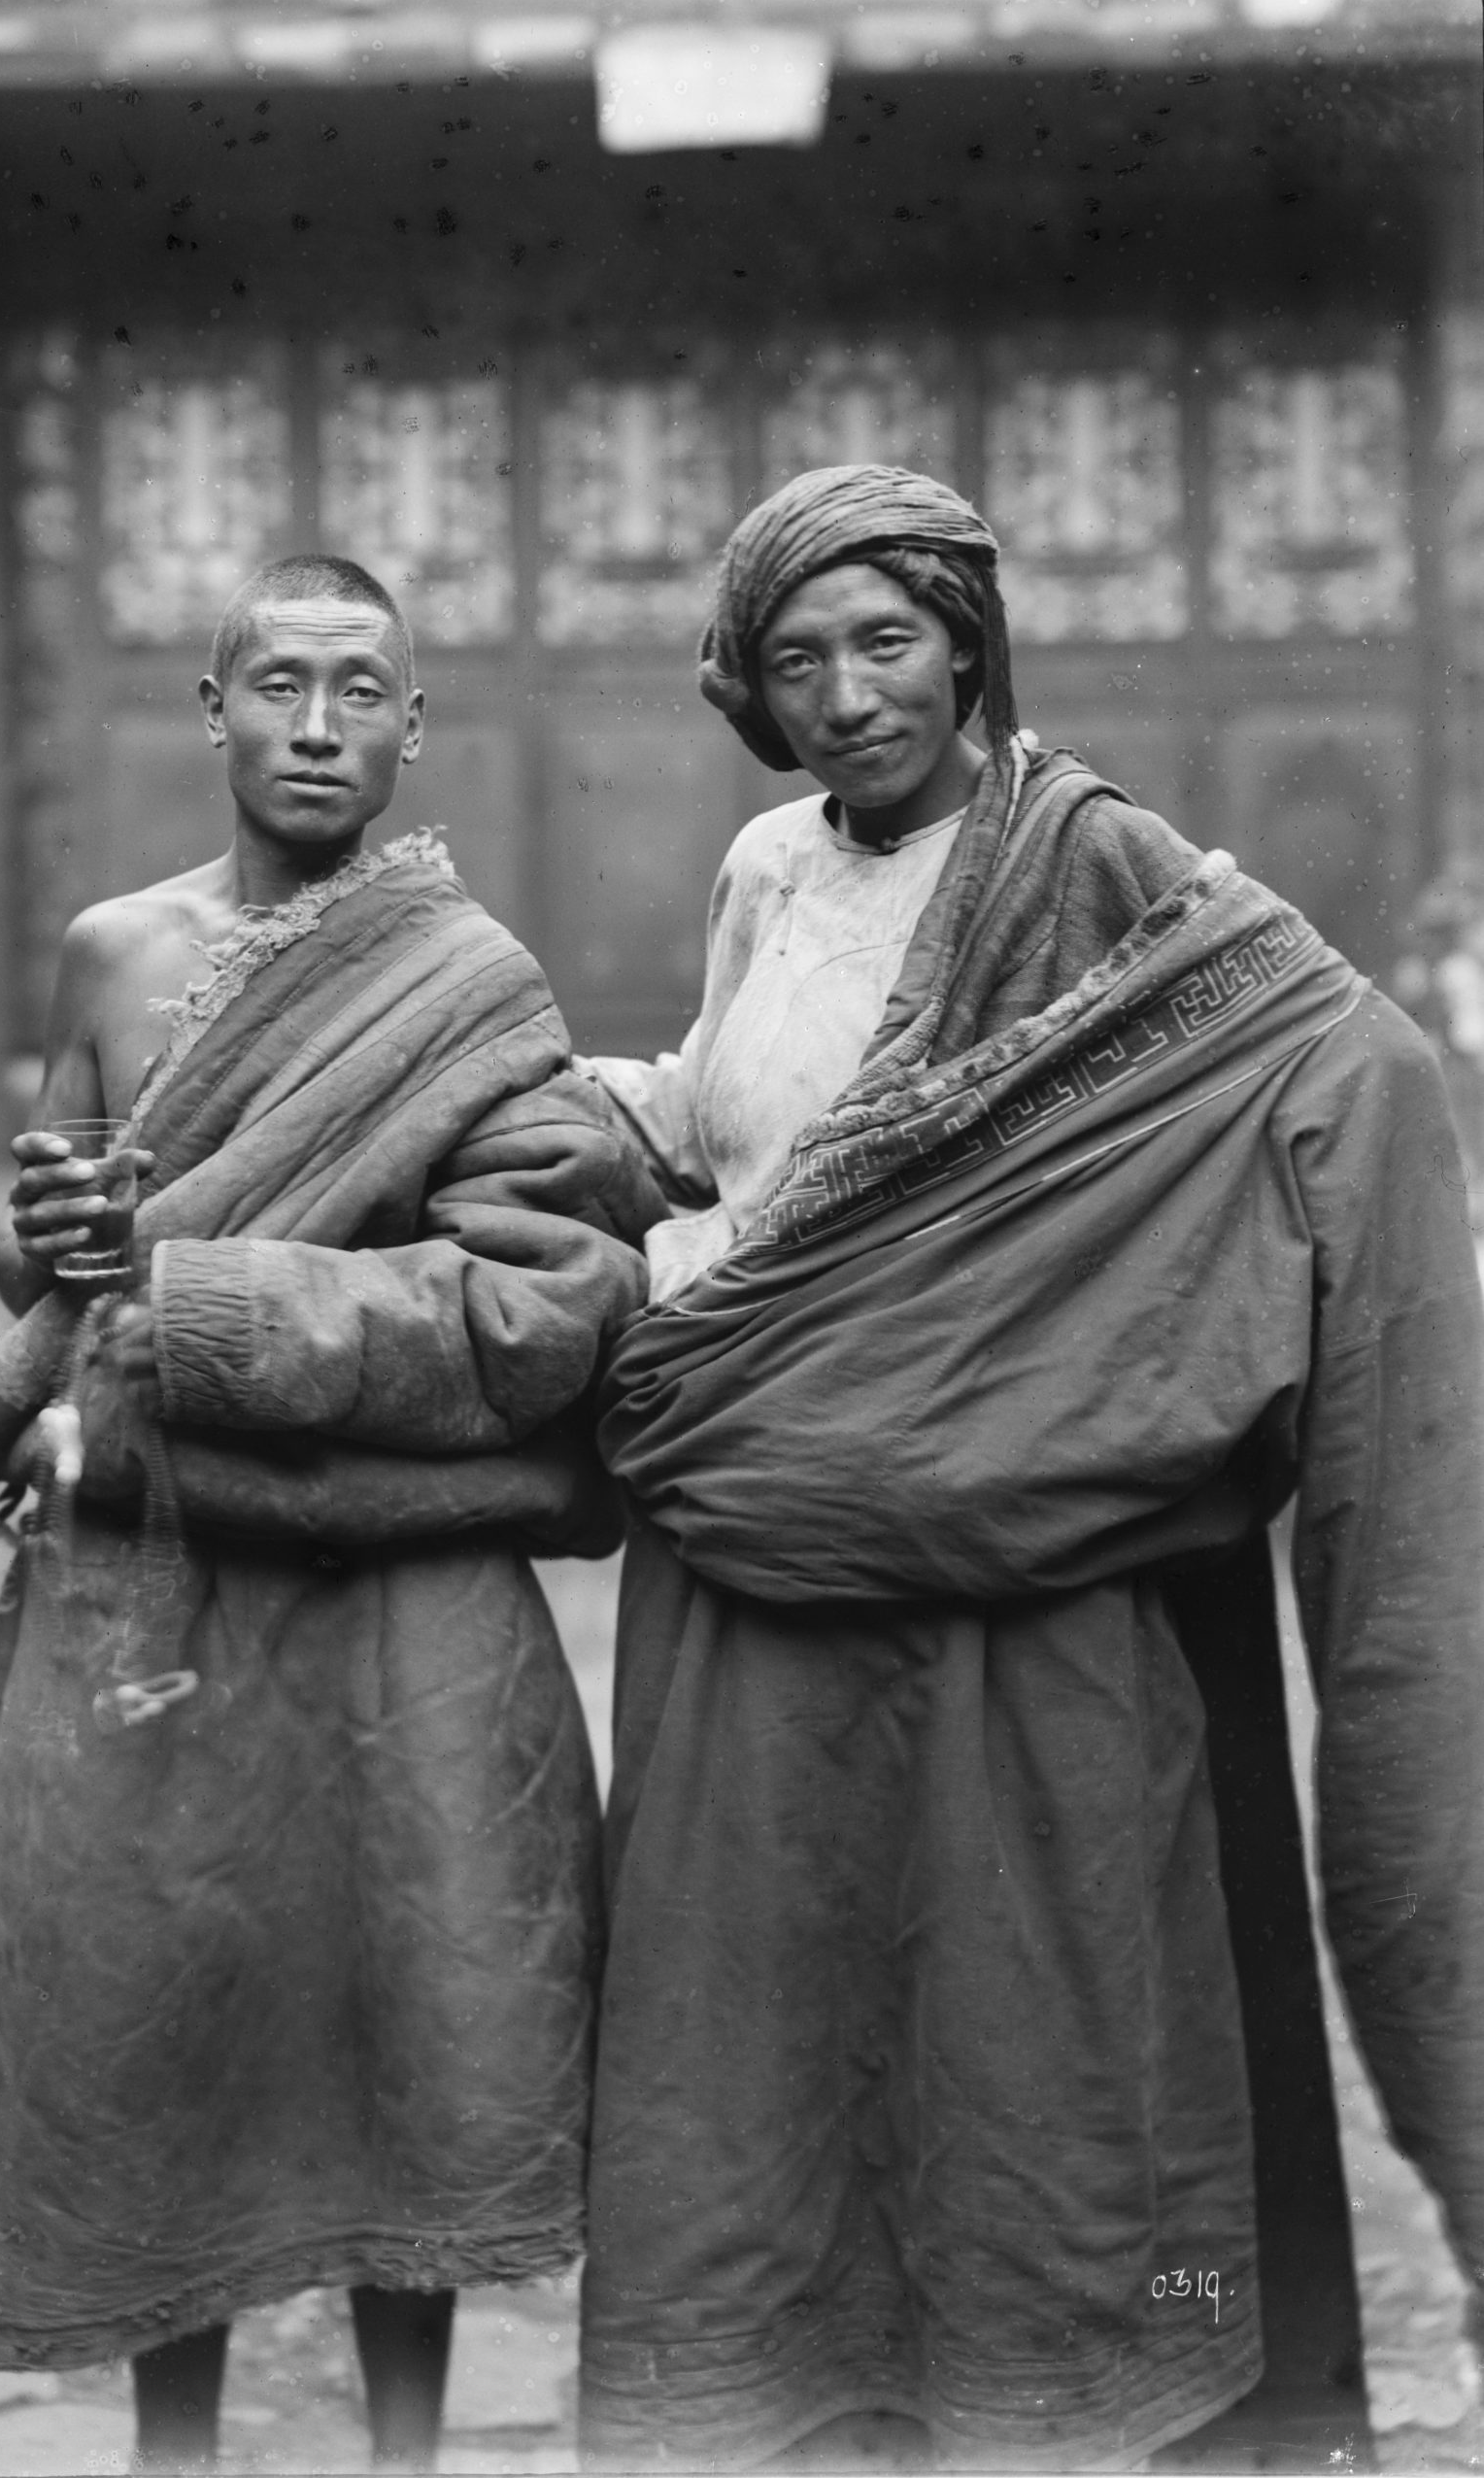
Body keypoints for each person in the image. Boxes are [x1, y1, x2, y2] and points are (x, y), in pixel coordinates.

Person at [576, 467, 1484, 2471]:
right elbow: (740, 1129)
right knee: (782, 2012)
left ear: (966, 638)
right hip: (762, 1534)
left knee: (1042, 2014)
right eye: (798, 659)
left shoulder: (1096, 862)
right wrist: (551, 1116)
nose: (848, 695)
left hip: (1046, 1572)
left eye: (886, 640)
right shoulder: (763, 872)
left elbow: (1349, 1068)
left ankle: (1087, 2389)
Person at [0, 556, 659, 2470]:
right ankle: (180, 2444)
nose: (319, 725)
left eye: (360, 690)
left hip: (395, 1571)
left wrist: (211, 1300)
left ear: (415, 724)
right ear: (209, 707)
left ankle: (408, 2442)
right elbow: (53, 1262)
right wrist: (50, 1232)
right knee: (166, 1986)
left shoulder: (474, 984)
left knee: (429, 1982)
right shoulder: (113, 954)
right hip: (154, 1571)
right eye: (280, 685)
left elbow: (532, 1300)